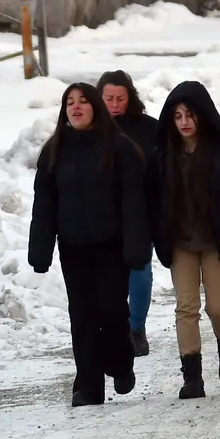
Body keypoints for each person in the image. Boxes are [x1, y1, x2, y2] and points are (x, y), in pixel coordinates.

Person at [29, 83, 150, 407]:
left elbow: (134, 203)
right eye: (70, 102)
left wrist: (137, 249)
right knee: (81, 315)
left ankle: (121, 362)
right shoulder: (54, 150)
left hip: (112, 247)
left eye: (83, 101)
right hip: (74, 249)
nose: (76, 107)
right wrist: (40, 249)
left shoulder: (120, 149)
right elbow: (44, 205)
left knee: (111, 312)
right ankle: (88, 386)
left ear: (95, 106)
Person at [148, 81, 220, 400]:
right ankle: (192, 376)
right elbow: (151, 199)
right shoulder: (162, 158)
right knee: (186, 307)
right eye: (178, 116)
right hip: (181, 243)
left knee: (218, 307)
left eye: (190, 115)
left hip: (216, 243)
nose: (184, 122)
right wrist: (159, 234)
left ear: (204, 116)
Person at [97, 70, 160, 357]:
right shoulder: (90, 127)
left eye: (120, 98)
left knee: (140, 272)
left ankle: (137, 328)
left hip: (140, 214)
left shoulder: (149, 129)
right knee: (106, 276)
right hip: (101, 214)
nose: (114, 104)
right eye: (108, 98)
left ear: (130, 98)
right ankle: (111, 329)